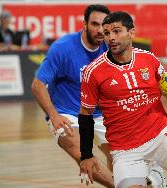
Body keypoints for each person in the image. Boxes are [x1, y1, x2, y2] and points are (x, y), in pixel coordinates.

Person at [78, 11, 167, 188]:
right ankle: (154, 179)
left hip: (159, 136)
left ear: (131, 32)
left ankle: (154, 177)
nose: (111, 38)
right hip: (124, 149)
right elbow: (86, 113)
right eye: (107, 33)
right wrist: (86, 155)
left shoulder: (148, 58)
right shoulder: (93, 72)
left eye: (117, 31)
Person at [31, 4, 114, 187]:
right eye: (94, 24)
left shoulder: (111, 48)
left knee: (120, 156)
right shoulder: (63, 47)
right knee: (84, 156)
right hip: (67, 114)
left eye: (104, 26)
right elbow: (37, 85)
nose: (100, 30)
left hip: (100, 114)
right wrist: (53, 115)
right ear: (84, 24)